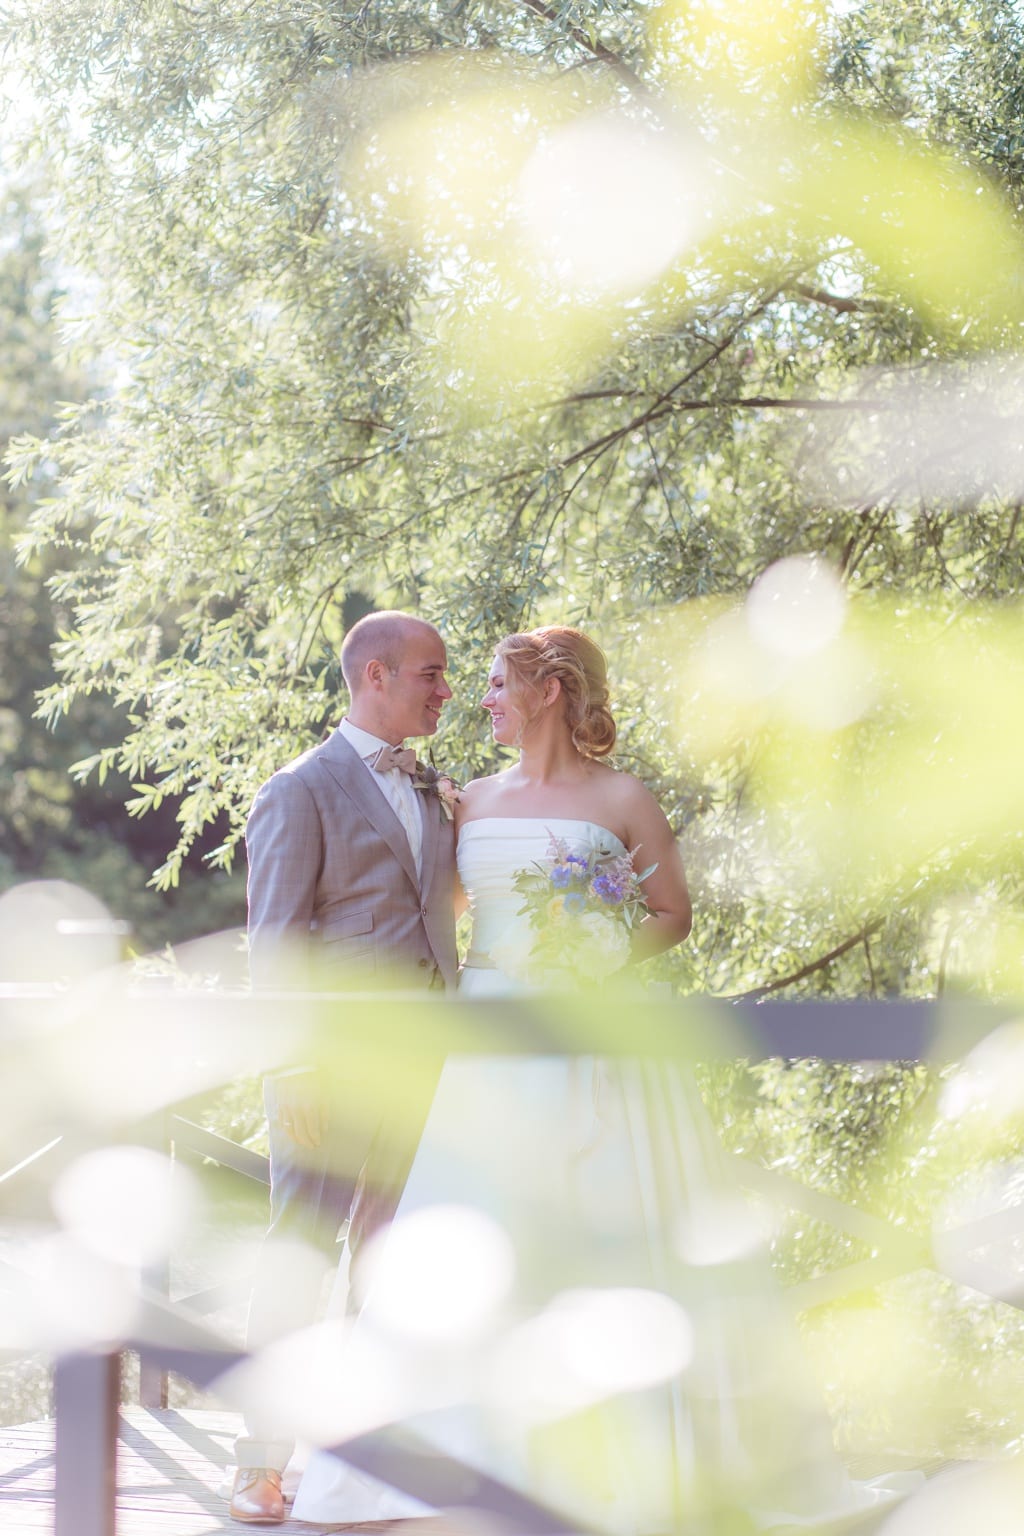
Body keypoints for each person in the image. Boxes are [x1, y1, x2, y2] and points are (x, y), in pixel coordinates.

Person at [290, 626, 919, 1532]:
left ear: (550, 691)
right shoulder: (465, 803)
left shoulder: (626, 799)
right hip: (489, 1045)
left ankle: (643, 1454)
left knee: (622, 1223)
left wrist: (599, 951)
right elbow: (441, 907)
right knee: (470, 1228)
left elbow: (673, 913)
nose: (484, 699)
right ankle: (456, 1454)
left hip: (600, 1037)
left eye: (500, 683)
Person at [228, 610, 458, 1526]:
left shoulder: (440, 789)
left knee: (390, 1257)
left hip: (429, 1068)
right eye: (430, 675)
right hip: (325, 1072)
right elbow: (274, 946)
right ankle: (259, 1464)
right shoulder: (299, 790)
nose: (445, 691)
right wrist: (290, 1071)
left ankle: (357, 1461)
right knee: (296, 1256)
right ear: (375, 674)